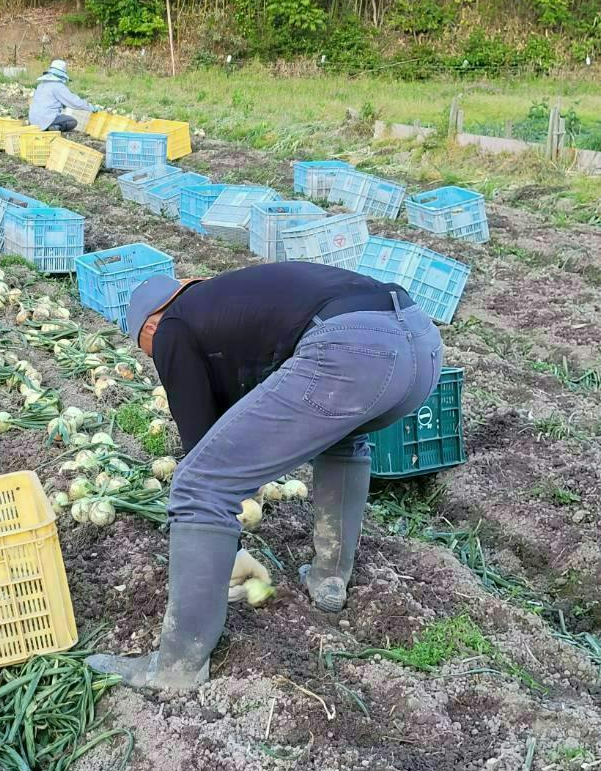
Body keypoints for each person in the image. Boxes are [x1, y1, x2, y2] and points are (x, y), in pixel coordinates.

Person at [87, 264, 444, 692]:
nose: (155, 357)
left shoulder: (171, 327)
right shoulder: (225, 304)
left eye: (147, 350)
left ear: (150, 326)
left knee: (198, 485)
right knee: (343, 443)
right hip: (420, 346)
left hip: (352, 349)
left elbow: (201, 453)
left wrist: (232, 548)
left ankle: (176, 668)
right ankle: (329, 578)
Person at [28, 59, 97, 133]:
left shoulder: (41, 85)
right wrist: (90, 107)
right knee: (72, 121)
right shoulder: (58, 85)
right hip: (46, 119)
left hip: (33, 120)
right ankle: (52, 127)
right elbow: (73, 101)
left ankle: (48, 126)